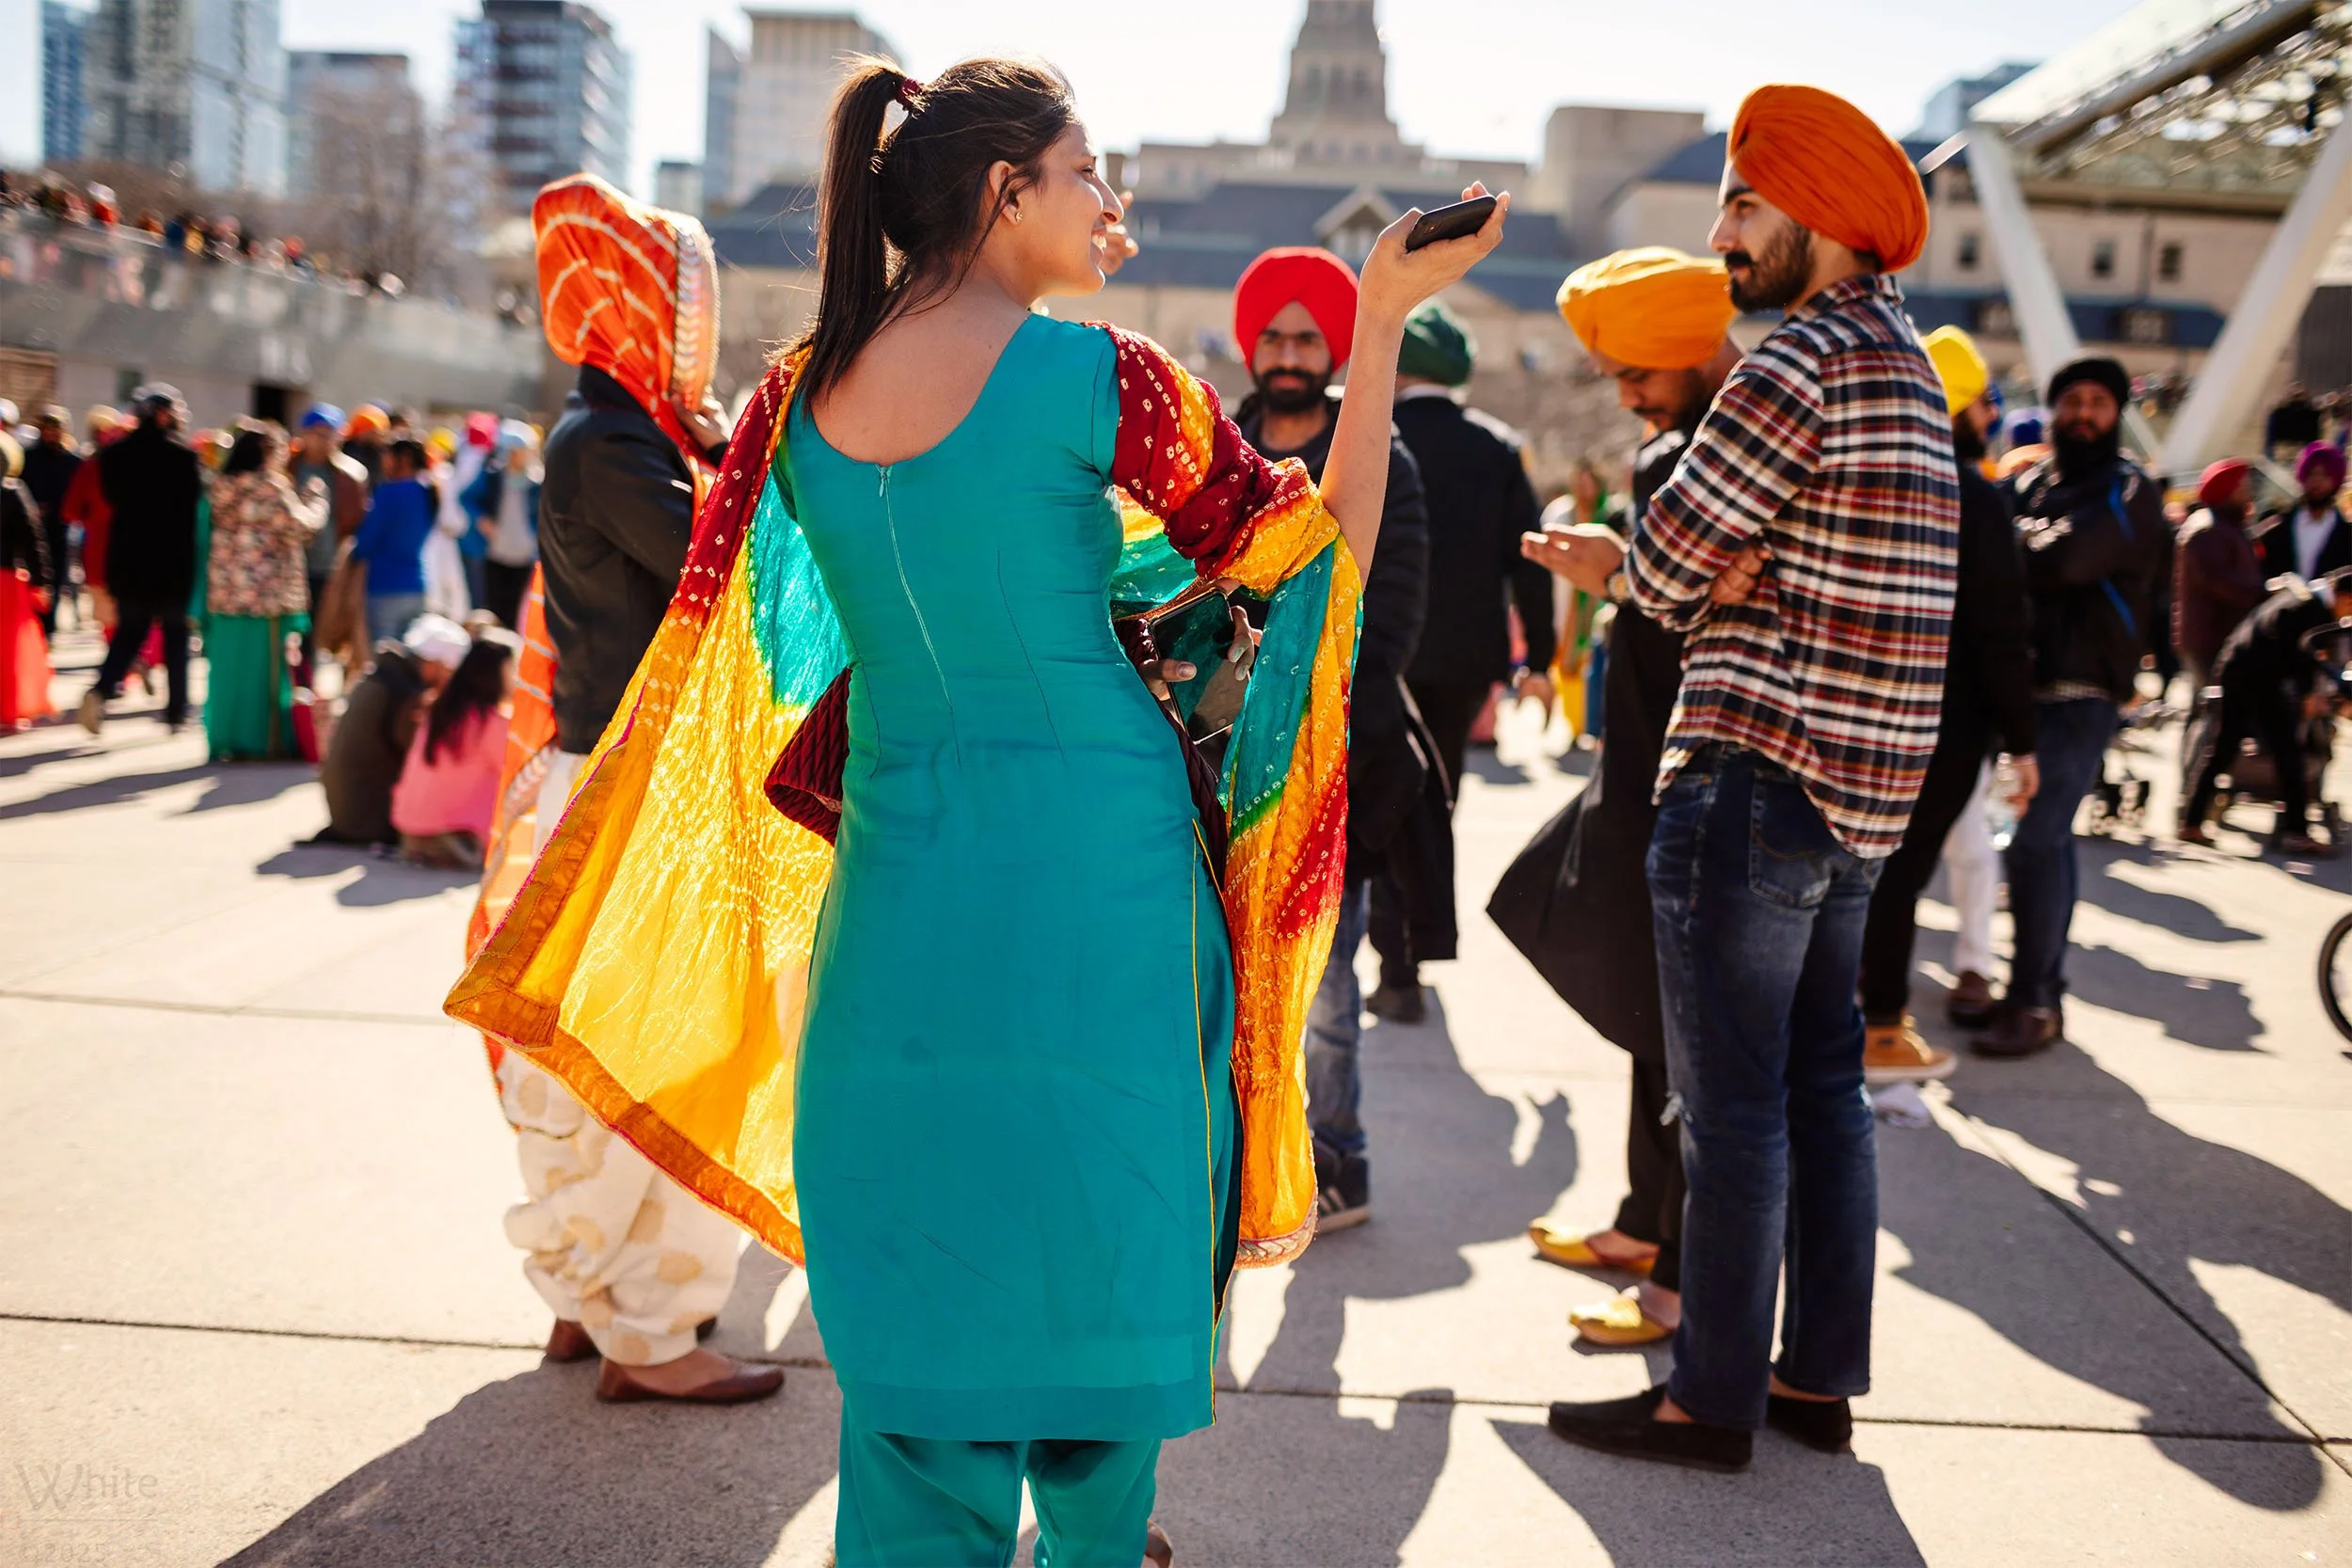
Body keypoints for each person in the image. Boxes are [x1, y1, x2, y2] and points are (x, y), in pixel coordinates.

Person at [447, 58, 1500, 1563]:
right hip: (1107, 884)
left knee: (920, 1280)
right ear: (1007, 192)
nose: (1110, 200)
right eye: (1087, 171)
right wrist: (1379, 316)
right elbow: (1316, 549)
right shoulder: (1106, 378)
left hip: (896, 894)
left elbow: (739, 653)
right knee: (1103, 1247)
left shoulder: (792, 398)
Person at [1543, 84, 1957, 1474]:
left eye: (1740, 203)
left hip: (1755, 774)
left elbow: (1663, 564)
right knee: (1826, 1090)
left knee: (1728, 1108)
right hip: (1864, 796)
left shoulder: (1796, 363)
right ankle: (1814, 1377)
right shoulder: (1905, 365)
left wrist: (1710, 572)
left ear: (1818, 216)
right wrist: (1744, 568)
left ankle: (1707, 1399)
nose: (1720, 234)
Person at [493, 171, 777, 1406]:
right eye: (684, 303)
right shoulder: (612, 442)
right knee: (658, 1055)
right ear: (630, 310)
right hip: (641, 792)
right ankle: (650, 1333)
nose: (697, 332)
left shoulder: (614, 432)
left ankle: (590, 1301)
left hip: (618, 780)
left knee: (591, 1054)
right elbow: (728, 566)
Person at [1516, 245, 1741, 1351]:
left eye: (1637, 372)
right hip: (1652, 760)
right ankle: (1643, 1225)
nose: (1625, 396)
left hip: (1702, 775)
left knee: (1688, 1043)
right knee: (1649, 1014)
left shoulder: (1728, 449)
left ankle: (1673, 1270)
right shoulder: (1675, 448)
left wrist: (1622, 574)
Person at [1231, 244, 1432, 1232]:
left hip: (1340, 763)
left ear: (1335, 348)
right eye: (1272, 335)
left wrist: (1296, 684)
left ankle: (1337, 1156)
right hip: (1221, 760)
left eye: (1306, 338)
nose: (1287, 353)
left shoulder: (1381, 456)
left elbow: (1390, 616)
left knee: (1327, 987)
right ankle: (1237, 1160)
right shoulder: (1219, 448)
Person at [1856, 326, 2038, 1076]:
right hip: (1944, 724)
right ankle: (1877, 1028)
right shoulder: (1972, 496)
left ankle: (1845, 1016)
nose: (1992, 419)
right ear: (1960, 408)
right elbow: (2001, 631)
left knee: (1857, 872)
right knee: (1898, 876)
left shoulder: (1866, 476)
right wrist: (2022, 740)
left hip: (1853, 710)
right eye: (1985, 405)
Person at [1982, 356, 2169, 1057]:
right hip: (2016, 692)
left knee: (2034, 841)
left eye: (2098, 402)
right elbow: (1989, 544)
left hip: (2082, 694)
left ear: (2116, 414)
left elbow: (2070, 559)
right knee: (2040, 843)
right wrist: (2027, 540)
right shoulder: (2029, 481)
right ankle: (2033, 991)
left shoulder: (2129, 487)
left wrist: (2020, 542)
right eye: (2072, 401)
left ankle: (2034, 999)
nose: (2084, 413)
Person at [1381, 296, 1554, 1019]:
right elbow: (1531, 559)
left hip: (1381, 652)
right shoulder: (1496, 446)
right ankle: (1415, 948)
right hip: (1464, 659)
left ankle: (1392, 961)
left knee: (1377, 798)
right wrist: (1538, 657)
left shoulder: (1375, 435)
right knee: (1438, 795)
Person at [2180, 573, 2352, 853]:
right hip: (2259, 679)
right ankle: (2296, 831)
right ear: (2345, 598)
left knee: (2224, 747)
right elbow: (2300, 654)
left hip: (2237, 668)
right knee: (2288, 753)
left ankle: (2191, 820)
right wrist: (2307, 695)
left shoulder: (2299, 597)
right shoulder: (2311, 609)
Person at [79, 386, 202, 734]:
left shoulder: (113, 455)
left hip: (128, 561)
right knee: (176, 637)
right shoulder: (183, 456)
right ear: (163, 414)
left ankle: (102, 689)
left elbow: (110, 499)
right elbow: (194, 508)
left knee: (129, 632)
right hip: (173, 563)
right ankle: (177, 710)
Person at [201, 421, 326, 762]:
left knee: (227, 671)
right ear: (267, 453)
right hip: (265, 596)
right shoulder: (269, 487)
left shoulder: (220, 486)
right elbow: (300, 527)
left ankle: (226, 736)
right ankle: (262, 741)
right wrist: (316, 500)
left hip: (226, 594)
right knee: (264, 673)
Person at [314, 614, 467, 845]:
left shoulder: (383, 677)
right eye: (448, 672)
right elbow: (422, 756)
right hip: (368, 821)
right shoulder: (404, 694)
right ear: (435, 664)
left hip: (350, 815)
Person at [393, 628, 517, 867]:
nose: (518, 677)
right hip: (457, 839)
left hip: (411, 832)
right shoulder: (489, 722)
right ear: (496, 674)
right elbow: (517, 769)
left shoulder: (440, 710)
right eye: (513, 668)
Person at [2174, 458, 2267, 705]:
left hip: (2218, 636)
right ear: (2228, 491)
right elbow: (2218, 581)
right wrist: (2262, 592)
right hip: (2211, 639)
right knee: (2217, 707)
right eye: (2242, 486)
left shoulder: (2224, 526)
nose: (2248, 491)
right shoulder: (2209, 530)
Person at [291, 405, 370, 670]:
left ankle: (309, 682)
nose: (322, 440)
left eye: (328, 434)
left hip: (330, 565)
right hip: (291, 564)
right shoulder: (287, 466)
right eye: (316, 433)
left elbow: (357, 521)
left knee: (320, 631)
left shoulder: (351, 474)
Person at [348, 437, 438, 647]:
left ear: (404, 458)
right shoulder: (428, 492)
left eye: (388, 458)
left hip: (384, 587)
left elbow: (366, 542)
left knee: (384, 656)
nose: (384, 464)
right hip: (417, 586)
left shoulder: (388, 493)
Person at [465, 420, 541, 630]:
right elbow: (467, 498)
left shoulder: (536, 481)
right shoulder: (493, 477)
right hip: (495, 551)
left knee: (516, 609)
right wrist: (482, 518)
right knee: (494, 607)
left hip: (524, 553)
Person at [0, 431, 54, 727]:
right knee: (8, 648)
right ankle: (7, 707)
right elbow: (33, 541)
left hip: (8, 579)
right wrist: (41, 581)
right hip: (6, 582)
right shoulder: (13, 493)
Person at [2254, 442, 2352, 583]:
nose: (2317, 482)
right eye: (2312, 474)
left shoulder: (2347, 535)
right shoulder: (2275, 525)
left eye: (2325, 475)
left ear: (2336, 481)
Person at [22, 405, 79, 634]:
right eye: (47, 429)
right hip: (30, 527)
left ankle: (49, 627)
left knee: (56, 578)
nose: (51, 433)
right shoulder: (29, 458)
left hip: (61, 527)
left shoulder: (72, 462)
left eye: (55, 429)